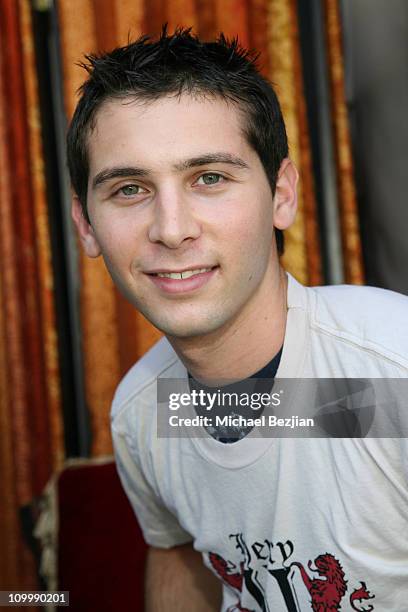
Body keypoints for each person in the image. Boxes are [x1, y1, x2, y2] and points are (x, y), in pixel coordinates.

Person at [68, 27, 408, 612]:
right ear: (86, 226)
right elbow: (177, 552)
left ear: (281, 194)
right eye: (129, 188)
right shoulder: (145, 411)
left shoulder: (390, 369)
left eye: (210, 178)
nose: (171, 229)